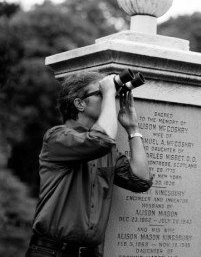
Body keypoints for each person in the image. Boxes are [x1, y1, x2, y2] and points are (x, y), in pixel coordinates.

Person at [25, 71, 152, 257]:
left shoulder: (107, 151)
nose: (111, 97)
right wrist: (110, 92)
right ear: (79, 103)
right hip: (50, 252)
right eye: (101, 93)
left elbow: (141, 181)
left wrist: (133, 128)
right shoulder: (57, 137)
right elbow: (101, 140)